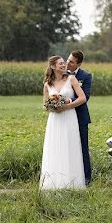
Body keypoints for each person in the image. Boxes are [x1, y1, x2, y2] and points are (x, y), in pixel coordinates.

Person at [39, 55, 88, 189]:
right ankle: (53, 183)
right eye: (60, 63)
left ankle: (72, 184)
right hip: (55, 119)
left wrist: (67, 105)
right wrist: (51, 106)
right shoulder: (47, 84)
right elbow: (44, 105)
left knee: (69, 146)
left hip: (69, 117)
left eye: (63, 63)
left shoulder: (72, 79)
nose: (63, 65)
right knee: (55, 147)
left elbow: (82, 98)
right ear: (53, 66)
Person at [65, 50, 93, 185]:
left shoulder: (86, 76)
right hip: (64, 117)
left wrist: (67, 101)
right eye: (67, 59)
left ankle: (86, 179)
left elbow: (85, 97)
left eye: (71, 62)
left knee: (83, 147)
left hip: (80, 117)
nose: (67, 63)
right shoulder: (61, 74)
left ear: (78, 64)